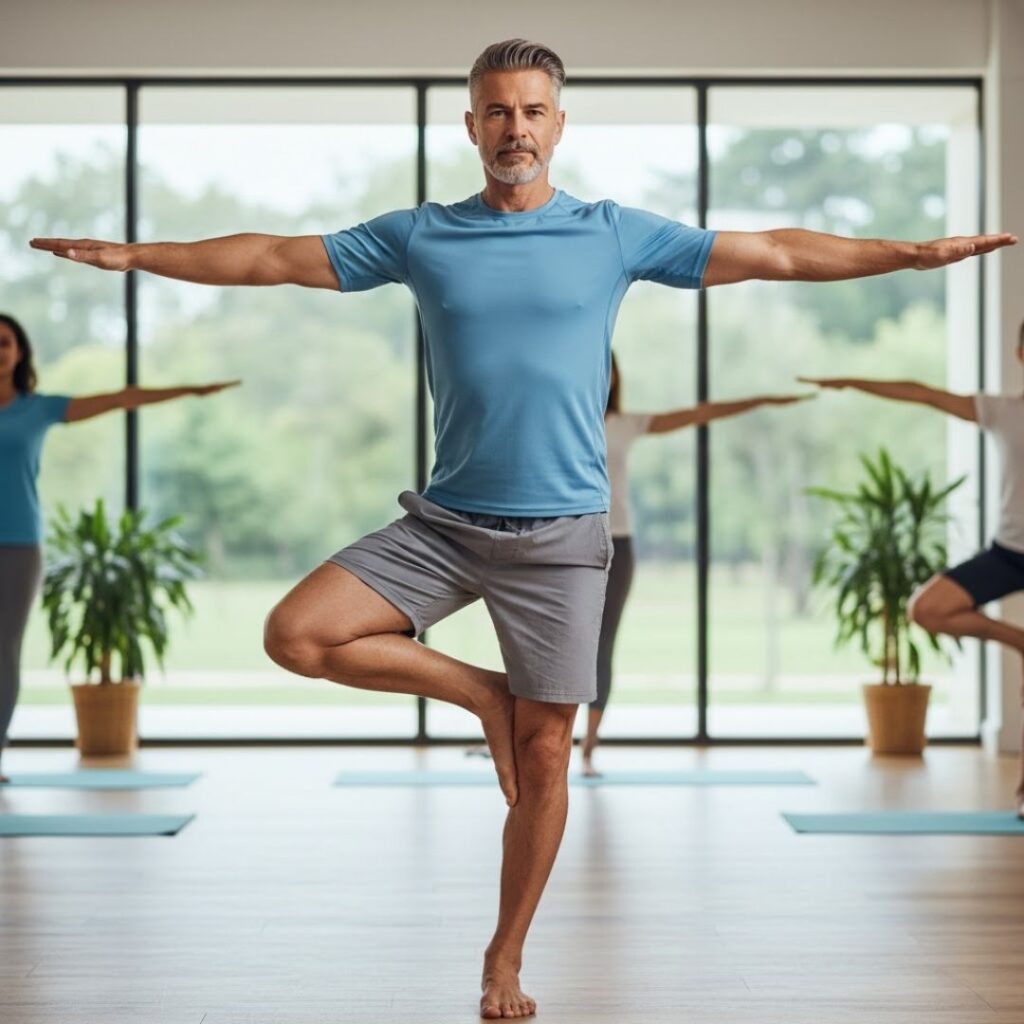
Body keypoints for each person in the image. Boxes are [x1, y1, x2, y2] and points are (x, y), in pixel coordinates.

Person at [30, 38, 1015, 1020]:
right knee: (296, 633)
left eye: (532, 111)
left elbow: (778, 251)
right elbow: (270, 257)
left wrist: (910, 254)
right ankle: (483, 694)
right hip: (446, 519)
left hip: (561, 537)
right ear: (471, 126)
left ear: (558, 123)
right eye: (497, 112)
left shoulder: (612, 233)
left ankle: (503, 959)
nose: (515, 129)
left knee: (546, 759)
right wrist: (136, 256)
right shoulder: (420, 234)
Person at [0, 312, 238, 784]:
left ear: (20, 352)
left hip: (18, 544)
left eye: (4, 342)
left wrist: (189, 391)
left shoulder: (39, 409)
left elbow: (121, 398)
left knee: (3, 651)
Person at [801, 328, 1024, 819]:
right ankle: (1016, 638)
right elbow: (921, 394)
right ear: (1020, 353)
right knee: (925, 608)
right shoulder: (1002, 411)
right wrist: (853, 382)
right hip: (1008, 553)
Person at [582, 354, 810, 776]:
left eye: (609, 366)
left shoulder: (627, 425)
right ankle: (546, 739)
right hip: (571, 544)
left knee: (603, 646)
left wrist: (760, 400)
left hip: (620, 544)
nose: (603, 374)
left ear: (616, 375)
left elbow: (699, 413)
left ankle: (589, 747)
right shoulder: (565, 422)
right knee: (564, 644)